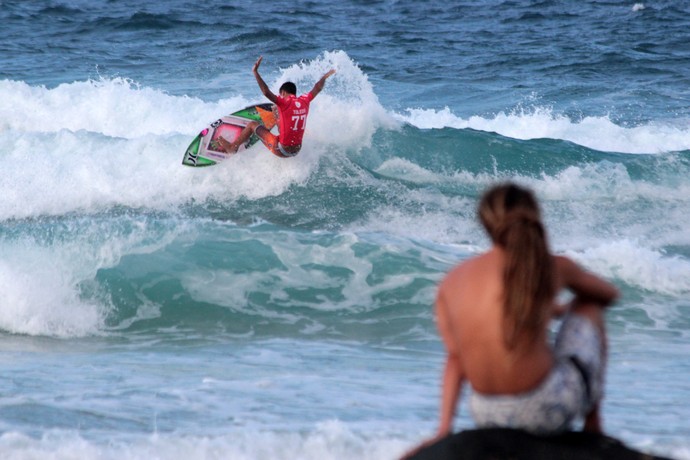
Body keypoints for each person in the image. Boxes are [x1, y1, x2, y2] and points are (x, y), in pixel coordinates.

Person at [404, 182, 619, 458]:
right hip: (546, 409)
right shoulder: (549, 265)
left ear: (485, 222)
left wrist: (444, 430)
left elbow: (455, 359)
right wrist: (563, 306)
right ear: (533, 215)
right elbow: (607, 295)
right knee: (589, 306)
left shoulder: (452, 280)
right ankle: (593, 425)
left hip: (486, 412)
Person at [217, 56, 336, 158]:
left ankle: (233, 147)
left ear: (283, 93)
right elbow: (317, 88)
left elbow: (266, 92)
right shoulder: (305, 100)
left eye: (280, 95)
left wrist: (255, 72)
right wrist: (324, 77)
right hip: (297, 150)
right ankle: (270, 122)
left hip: (281, 149)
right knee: (280, 119)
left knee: (253, 124)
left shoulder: (284, 102)